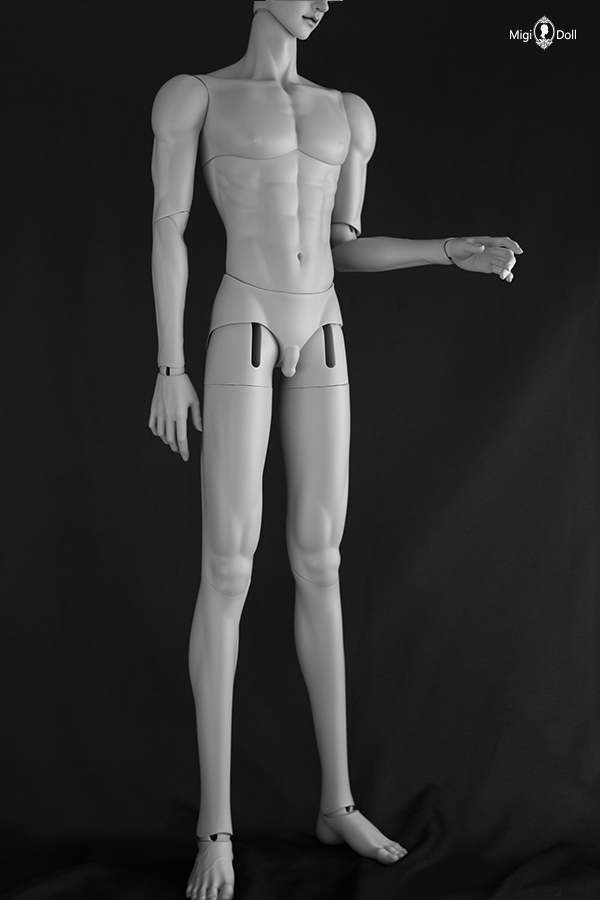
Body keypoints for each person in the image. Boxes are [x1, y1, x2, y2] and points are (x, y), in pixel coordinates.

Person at [148, 2, 523, 898]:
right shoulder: (194, 97)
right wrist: (169, 366)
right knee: (227, 568)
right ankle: (215, 827)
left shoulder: (349, 113)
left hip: (322, 325)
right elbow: (168, 228)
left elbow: (341, 250)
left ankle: (338, 801)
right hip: (242, 317)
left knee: (322, 561)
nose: (325, 0)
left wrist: (448, 250)